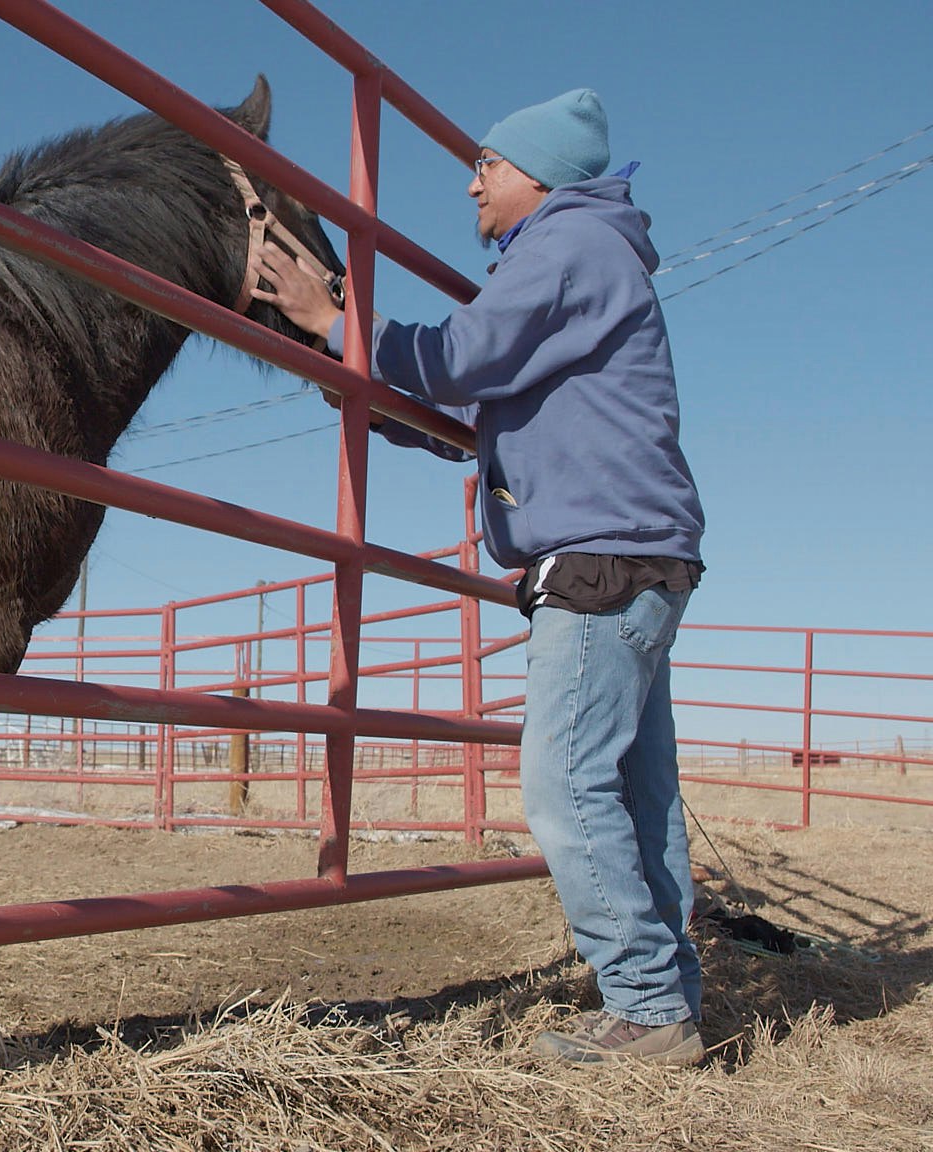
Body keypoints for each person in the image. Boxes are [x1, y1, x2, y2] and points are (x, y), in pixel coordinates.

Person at [253, 89, 708, 1066]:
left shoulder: (564, 245)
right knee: (636, 790)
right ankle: (664, 998)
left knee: (560, 789)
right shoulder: (592, 254)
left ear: (537, 177)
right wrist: (373, 392)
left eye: (487, 165)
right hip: (638, 552)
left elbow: (459, 357)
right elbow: (486, 410)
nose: (470, 181)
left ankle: (642, 1009)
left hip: (596, 554)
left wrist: (330, 318)